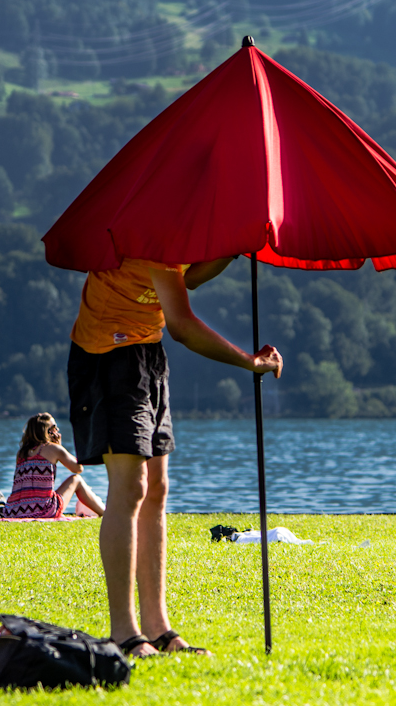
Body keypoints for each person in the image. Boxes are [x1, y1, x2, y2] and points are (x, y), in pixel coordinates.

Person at [67, 256, 283, 657]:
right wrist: (249, 362)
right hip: (107, 353)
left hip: (147, 350)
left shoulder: (176, 231)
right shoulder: (152, 234)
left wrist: (231, 251)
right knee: (130, 489)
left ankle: (157, 626)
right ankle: (123, 631)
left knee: (156, 489)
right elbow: (183, 326)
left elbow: (187, 278)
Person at [3, 412, 105, 519]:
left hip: (13, 511)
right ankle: (104, 513)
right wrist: (59, 447)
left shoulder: (21, 453)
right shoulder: (53, 449)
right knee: (76, 479)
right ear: (49, 432)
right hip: (43, 510)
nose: (58, 431)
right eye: (55, 428)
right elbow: (78, 468)